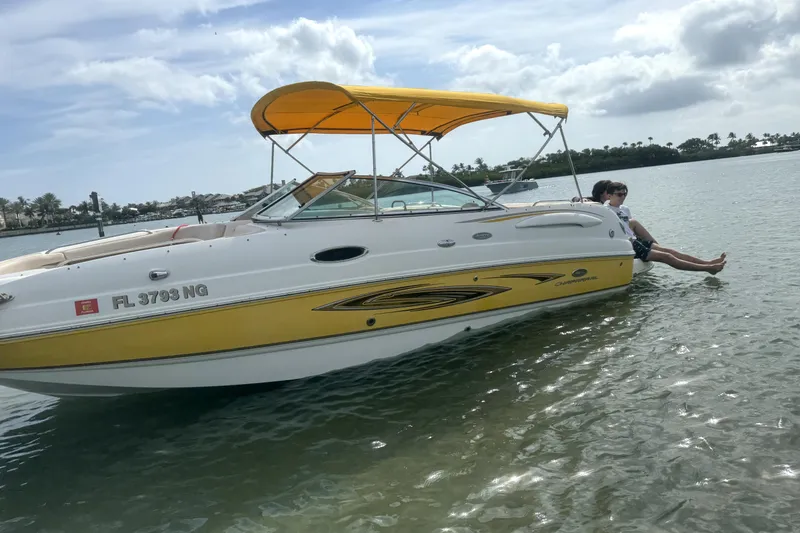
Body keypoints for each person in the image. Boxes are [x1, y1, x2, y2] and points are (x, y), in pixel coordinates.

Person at [604, 181, 726, 274]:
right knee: (666, 257)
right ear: (609, 196)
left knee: (670, 251)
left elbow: (629, 227)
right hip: (627, 244)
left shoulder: (625, 209)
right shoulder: (605, 211)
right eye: (619, 194)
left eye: (625, 194)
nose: (623, 197)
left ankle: (708, 263)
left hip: (635, 241)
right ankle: (708, 269)